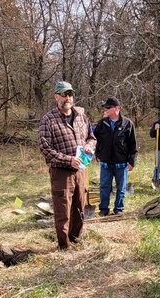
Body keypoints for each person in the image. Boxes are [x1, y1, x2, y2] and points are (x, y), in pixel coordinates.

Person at [38, 81, 97, 250]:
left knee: (79, 206)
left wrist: (89, 146)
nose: (68, 98)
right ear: (56, 96)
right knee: (63, 210)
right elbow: (45, 148)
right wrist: (67, 159)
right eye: (64, 94)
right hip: (61, 172)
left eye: (70, 94)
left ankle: (75, 239)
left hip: (80, 171)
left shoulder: (81, 117)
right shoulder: (48, 120)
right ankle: (64, 246)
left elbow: (92, 138)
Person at [92, 97, 137, 216]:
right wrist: (97, 153)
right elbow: (95, 139)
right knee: (104, 187)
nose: (106, 110)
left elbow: (133, 144)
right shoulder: (102, 123)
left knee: (121, 188)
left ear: (116, 109)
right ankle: (103, 209)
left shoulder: (127, 124)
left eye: (108, 107)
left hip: (121, 163)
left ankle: (118, 209)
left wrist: (132, 161)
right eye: (105, 108)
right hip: (106, 163)